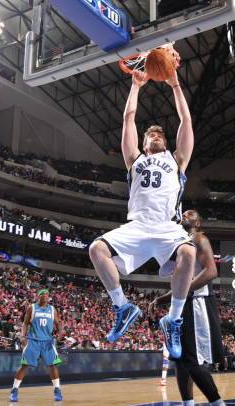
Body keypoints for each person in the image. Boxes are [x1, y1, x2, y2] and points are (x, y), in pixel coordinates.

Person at [89, 68, 196, 358]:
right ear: (145, 143)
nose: (157, 136)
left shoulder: (177, 160)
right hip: (137, 226)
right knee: (97, 249)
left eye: (161, 134)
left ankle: (172, 319)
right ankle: (122, 306)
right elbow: (128, 119)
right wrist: (135, 86)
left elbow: (185, 120)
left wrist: (175, 84)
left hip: (167, 226)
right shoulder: (134, 160)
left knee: (189, 254)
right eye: (152, 134)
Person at [149, 209, 226, 406]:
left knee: (192, 360)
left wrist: (182, 291)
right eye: (184, 212)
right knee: (180, 360)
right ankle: (187, 404)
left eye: (191, 213)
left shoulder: (200, 239)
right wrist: (161, 300)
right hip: (182, 304)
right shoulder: (178, 246)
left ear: (198, 223)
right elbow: (178, 287)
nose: (185, 214)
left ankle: (218, 404)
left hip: (198, 303)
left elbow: (211, 271)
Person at [10, 289, 63, 402]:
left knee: (53, 365)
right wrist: (23, 337)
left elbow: (58, 323)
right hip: (33, 340)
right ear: (38, 297)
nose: (45, 295)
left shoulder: (52, 309)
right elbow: (25, 323)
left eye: (47, 294)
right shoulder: (32, 308)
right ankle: (14, 390)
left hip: (47, 341)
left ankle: (57, 389)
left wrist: (60, 333)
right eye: (42, 294)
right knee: (25, 365)